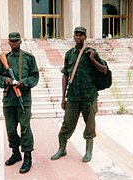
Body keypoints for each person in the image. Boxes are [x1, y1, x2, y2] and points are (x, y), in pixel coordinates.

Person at [51, 26, 107, 162]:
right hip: (73, 97)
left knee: (90, 125)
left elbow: (104, 70)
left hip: (89, 97)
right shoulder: (69, 54)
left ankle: (88, 151)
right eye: (76, 34)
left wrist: (93, 60)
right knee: (67, 124)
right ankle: (62, 149)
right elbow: (65, 76)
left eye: (81, 35)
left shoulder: (91, 52)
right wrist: (63, 97)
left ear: (85, 37)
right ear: (74, 36)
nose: (78, 37)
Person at [0, 32, 39, 173]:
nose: (14, 43)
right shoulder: (4, 59)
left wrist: (24, 83)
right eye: (12, 41)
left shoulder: (28, 58)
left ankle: (27, 156)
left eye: (16, 41)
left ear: (20, 42)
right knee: (10, 129)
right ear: (9, 42)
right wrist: (5, 80)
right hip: (9, 99)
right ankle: (16, 152)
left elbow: (35, 76)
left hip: (23, 99)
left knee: (25, 128)